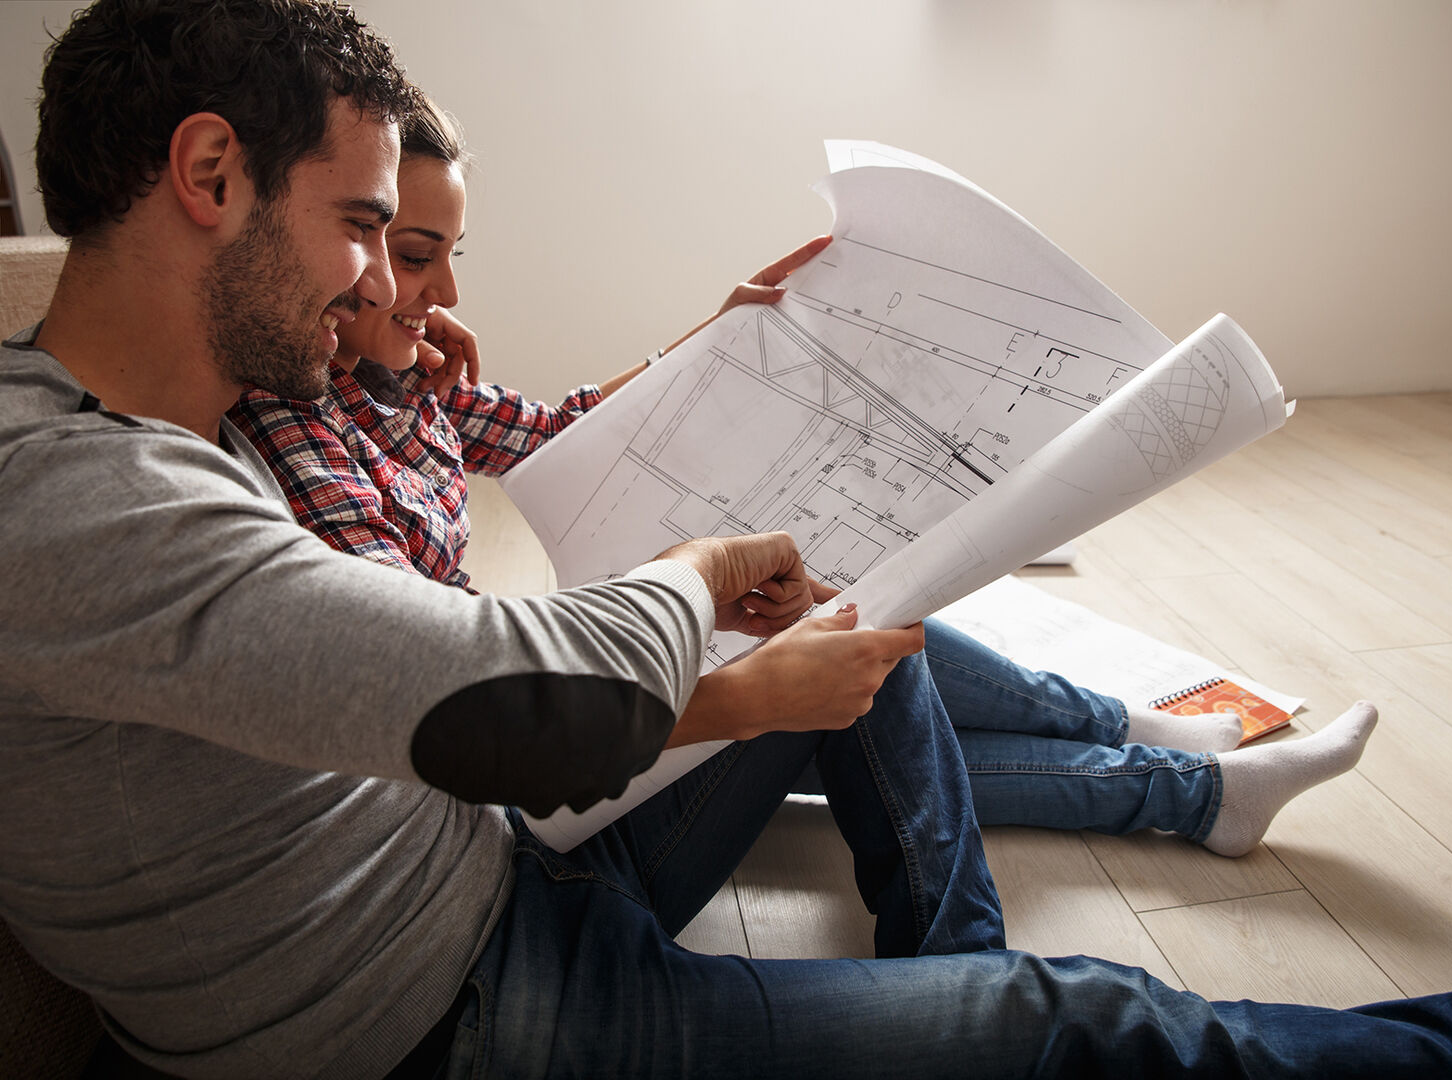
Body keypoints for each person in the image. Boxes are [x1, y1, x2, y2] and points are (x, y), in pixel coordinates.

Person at [2, 3, 1452, 1079]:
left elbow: (523, 459)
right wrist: (704, 575)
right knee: (1086, 1025)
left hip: (498, 869)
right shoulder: (69, 502)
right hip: (457, 1012)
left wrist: (712, 352)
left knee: (862, 622)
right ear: (209, 179)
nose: (386, 283)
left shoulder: (192, 412)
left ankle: (990, 938)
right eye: (362, 228)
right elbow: (509, 700)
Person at [229, 91, 1379, 861]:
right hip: (511, 775)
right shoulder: (292, 429)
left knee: (837, 637)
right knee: (838, 635)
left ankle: (1146, 746)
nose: (430, 291)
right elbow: (435, 694)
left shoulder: (412, 382)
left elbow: (566, 427)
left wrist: (716, 329)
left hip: (531, 698)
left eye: (432, 255)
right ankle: (1166, 774)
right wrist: (725, 686)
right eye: (401, 254)